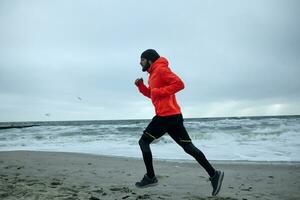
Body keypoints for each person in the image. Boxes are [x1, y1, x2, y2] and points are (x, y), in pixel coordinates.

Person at [134, 49, 224, 196]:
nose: (140, 62)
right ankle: (214, 174)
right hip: (174, 116)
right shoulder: (152, 75)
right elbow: (153, 95)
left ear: (150, 60)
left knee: (143, 142)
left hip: (165, 116)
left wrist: (159, 91)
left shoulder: (161, 70)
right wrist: (141, 87)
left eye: (142, 59)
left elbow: (179, 84)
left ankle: (150, 177)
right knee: (188, 147)